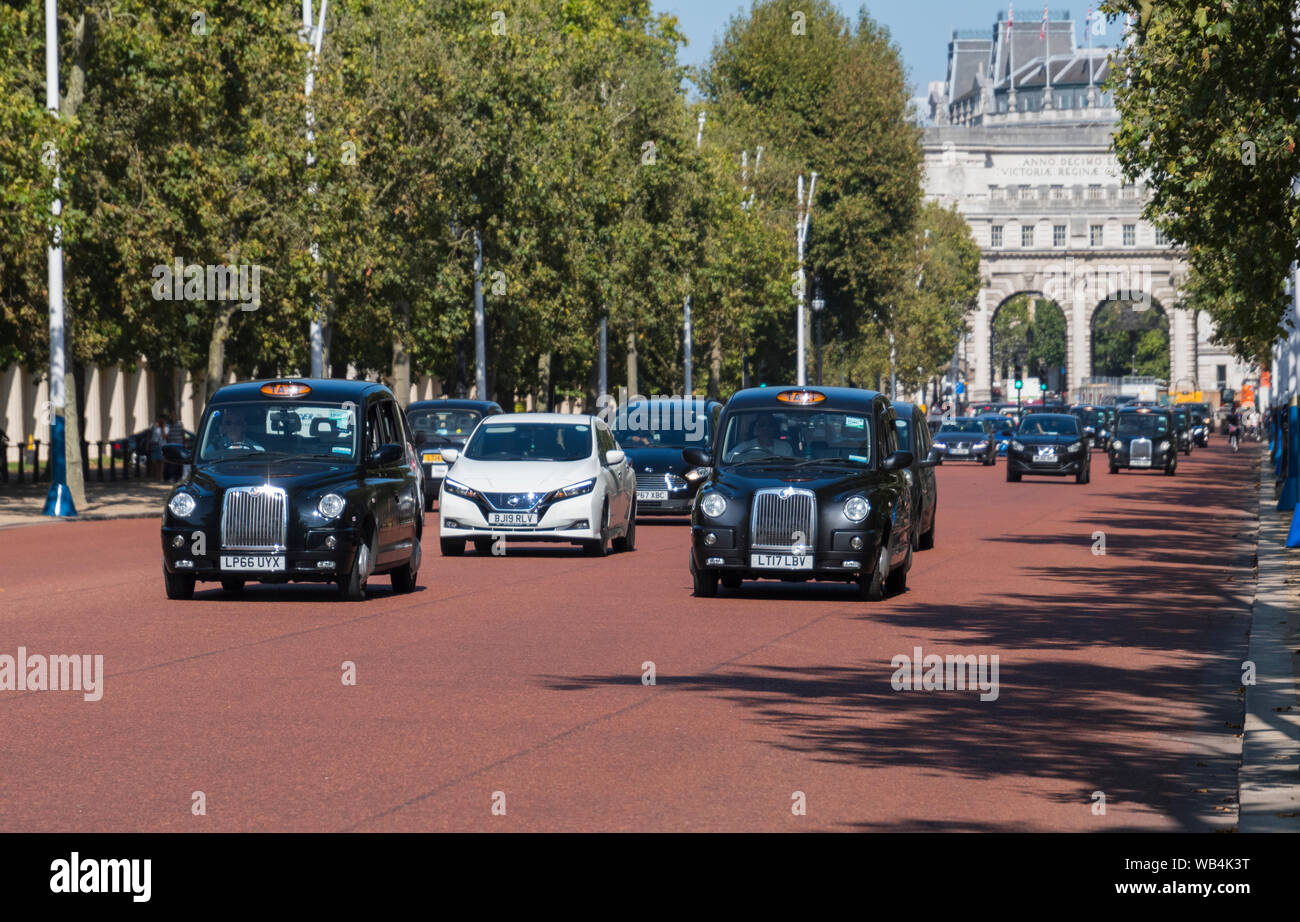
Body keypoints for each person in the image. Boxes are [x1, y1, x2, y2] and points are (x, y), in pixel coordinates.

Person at [148, 415, 166, 480]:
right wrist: (147, 444)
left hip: (160, 445)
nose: (156, 423)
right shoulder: (152, 426)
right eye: (156, 421)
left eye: (158, 422)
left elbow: (164, 437)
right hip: (153, 444)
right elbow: (149, 435)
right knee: (154, 460)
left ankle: (160, 476)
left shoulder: (164, 428)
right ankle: (157, 474)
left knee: (161, 461)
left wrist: (163, 428)